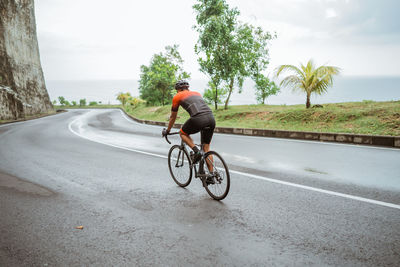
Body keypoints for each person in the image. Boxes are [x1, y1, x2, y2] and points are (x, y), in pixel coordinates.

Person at [162, 80, 215, 164]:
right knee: (206, 149)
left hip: (198, 118)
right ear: (187, 88)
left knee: (183, 133)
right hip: (211, 118)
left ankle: (196, 151)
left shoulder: (177, 96)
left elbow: (173, 116)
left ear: (178, 89)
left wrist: (168, 130)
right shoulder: (197, 93)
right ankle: (211, 174)